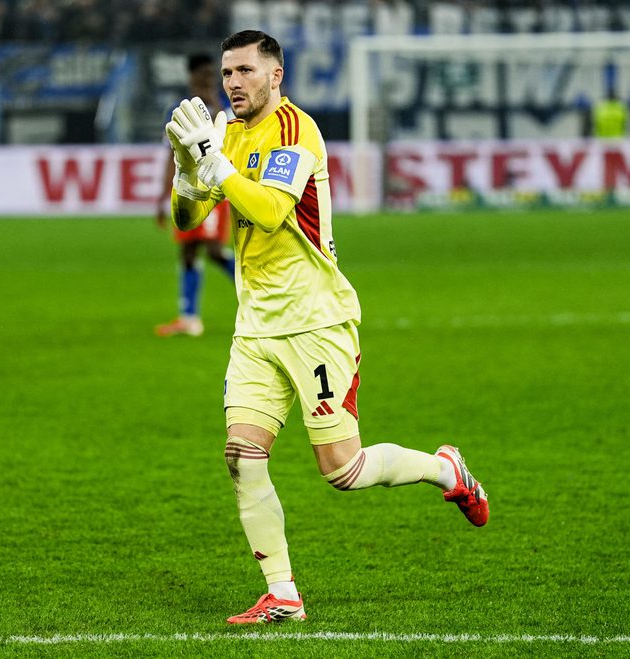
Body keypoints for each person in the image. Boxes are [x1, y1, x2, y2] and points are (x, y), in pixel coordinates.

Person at [165, 30, 489, 624]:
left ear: (276, 75)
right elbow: (188, 218)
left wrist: (216, 163)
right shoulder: (226, 134)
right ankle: (283, 594)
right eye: (227, 72)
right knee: (242, 455)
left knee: (344, 469)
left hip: (317, 322)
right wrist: (189, 170)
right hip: (255, 328)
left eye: (245, 70)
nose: (233, 82)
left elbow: (269, 211)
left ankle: (445, 469)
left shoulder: (297, 130)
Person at [155, 53, 236, 337]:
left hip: (214, 187)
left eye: (211, 74)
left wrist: (214, 103)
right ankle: (189, 318)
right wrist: (162, 196)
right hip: (188, 187)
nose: (207, 79)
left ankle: (258, 291)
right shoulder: (178, 110)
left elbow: (231, 141)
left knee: (213, 250)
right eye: (202, 74)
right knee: (188, 250)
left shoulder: (225, 105)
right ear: (191, 76)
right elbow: (172, 155)